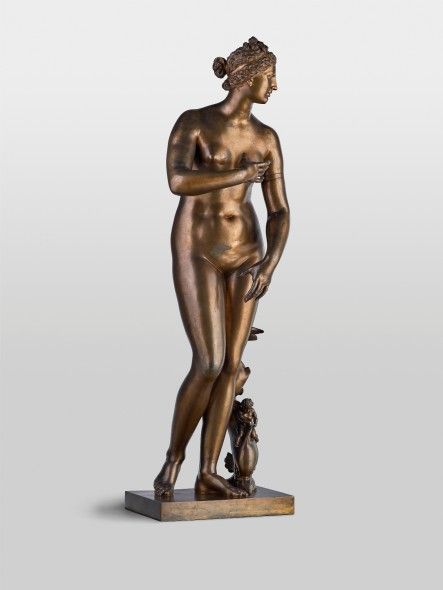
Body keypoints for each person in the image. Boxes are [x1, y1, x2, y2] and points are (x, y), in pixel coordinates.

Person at [153, 36, 290, 498]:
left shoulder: (266, 138)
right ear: (247, 77)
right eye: (270, 76)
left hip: (246, 251)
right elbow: (177, 180)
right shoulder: (195, 122)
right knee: (209, 362)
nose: (275, 86)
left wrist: (271, 262)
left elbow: (279, 210)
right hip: (198, 248)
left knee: (232, 364)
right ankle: (173, 460)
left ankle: (208, 471)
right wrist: (240, 174)